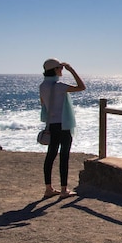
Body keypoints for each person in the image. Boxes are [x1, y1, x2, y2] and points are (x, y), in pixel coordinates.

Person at [40, 58, 86, 199]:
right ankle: (64, 190)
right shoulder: (59, 86)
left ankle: (48, 188)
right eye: (60, 68)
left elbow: (43, 105)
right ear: (54, 70)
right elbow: (81, 86)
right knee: (64, 156)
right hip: (63, 125)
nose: (61, 70)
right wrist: (71, 69)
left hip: (51, 125)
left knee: (50, 156)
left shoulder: (42, 86)